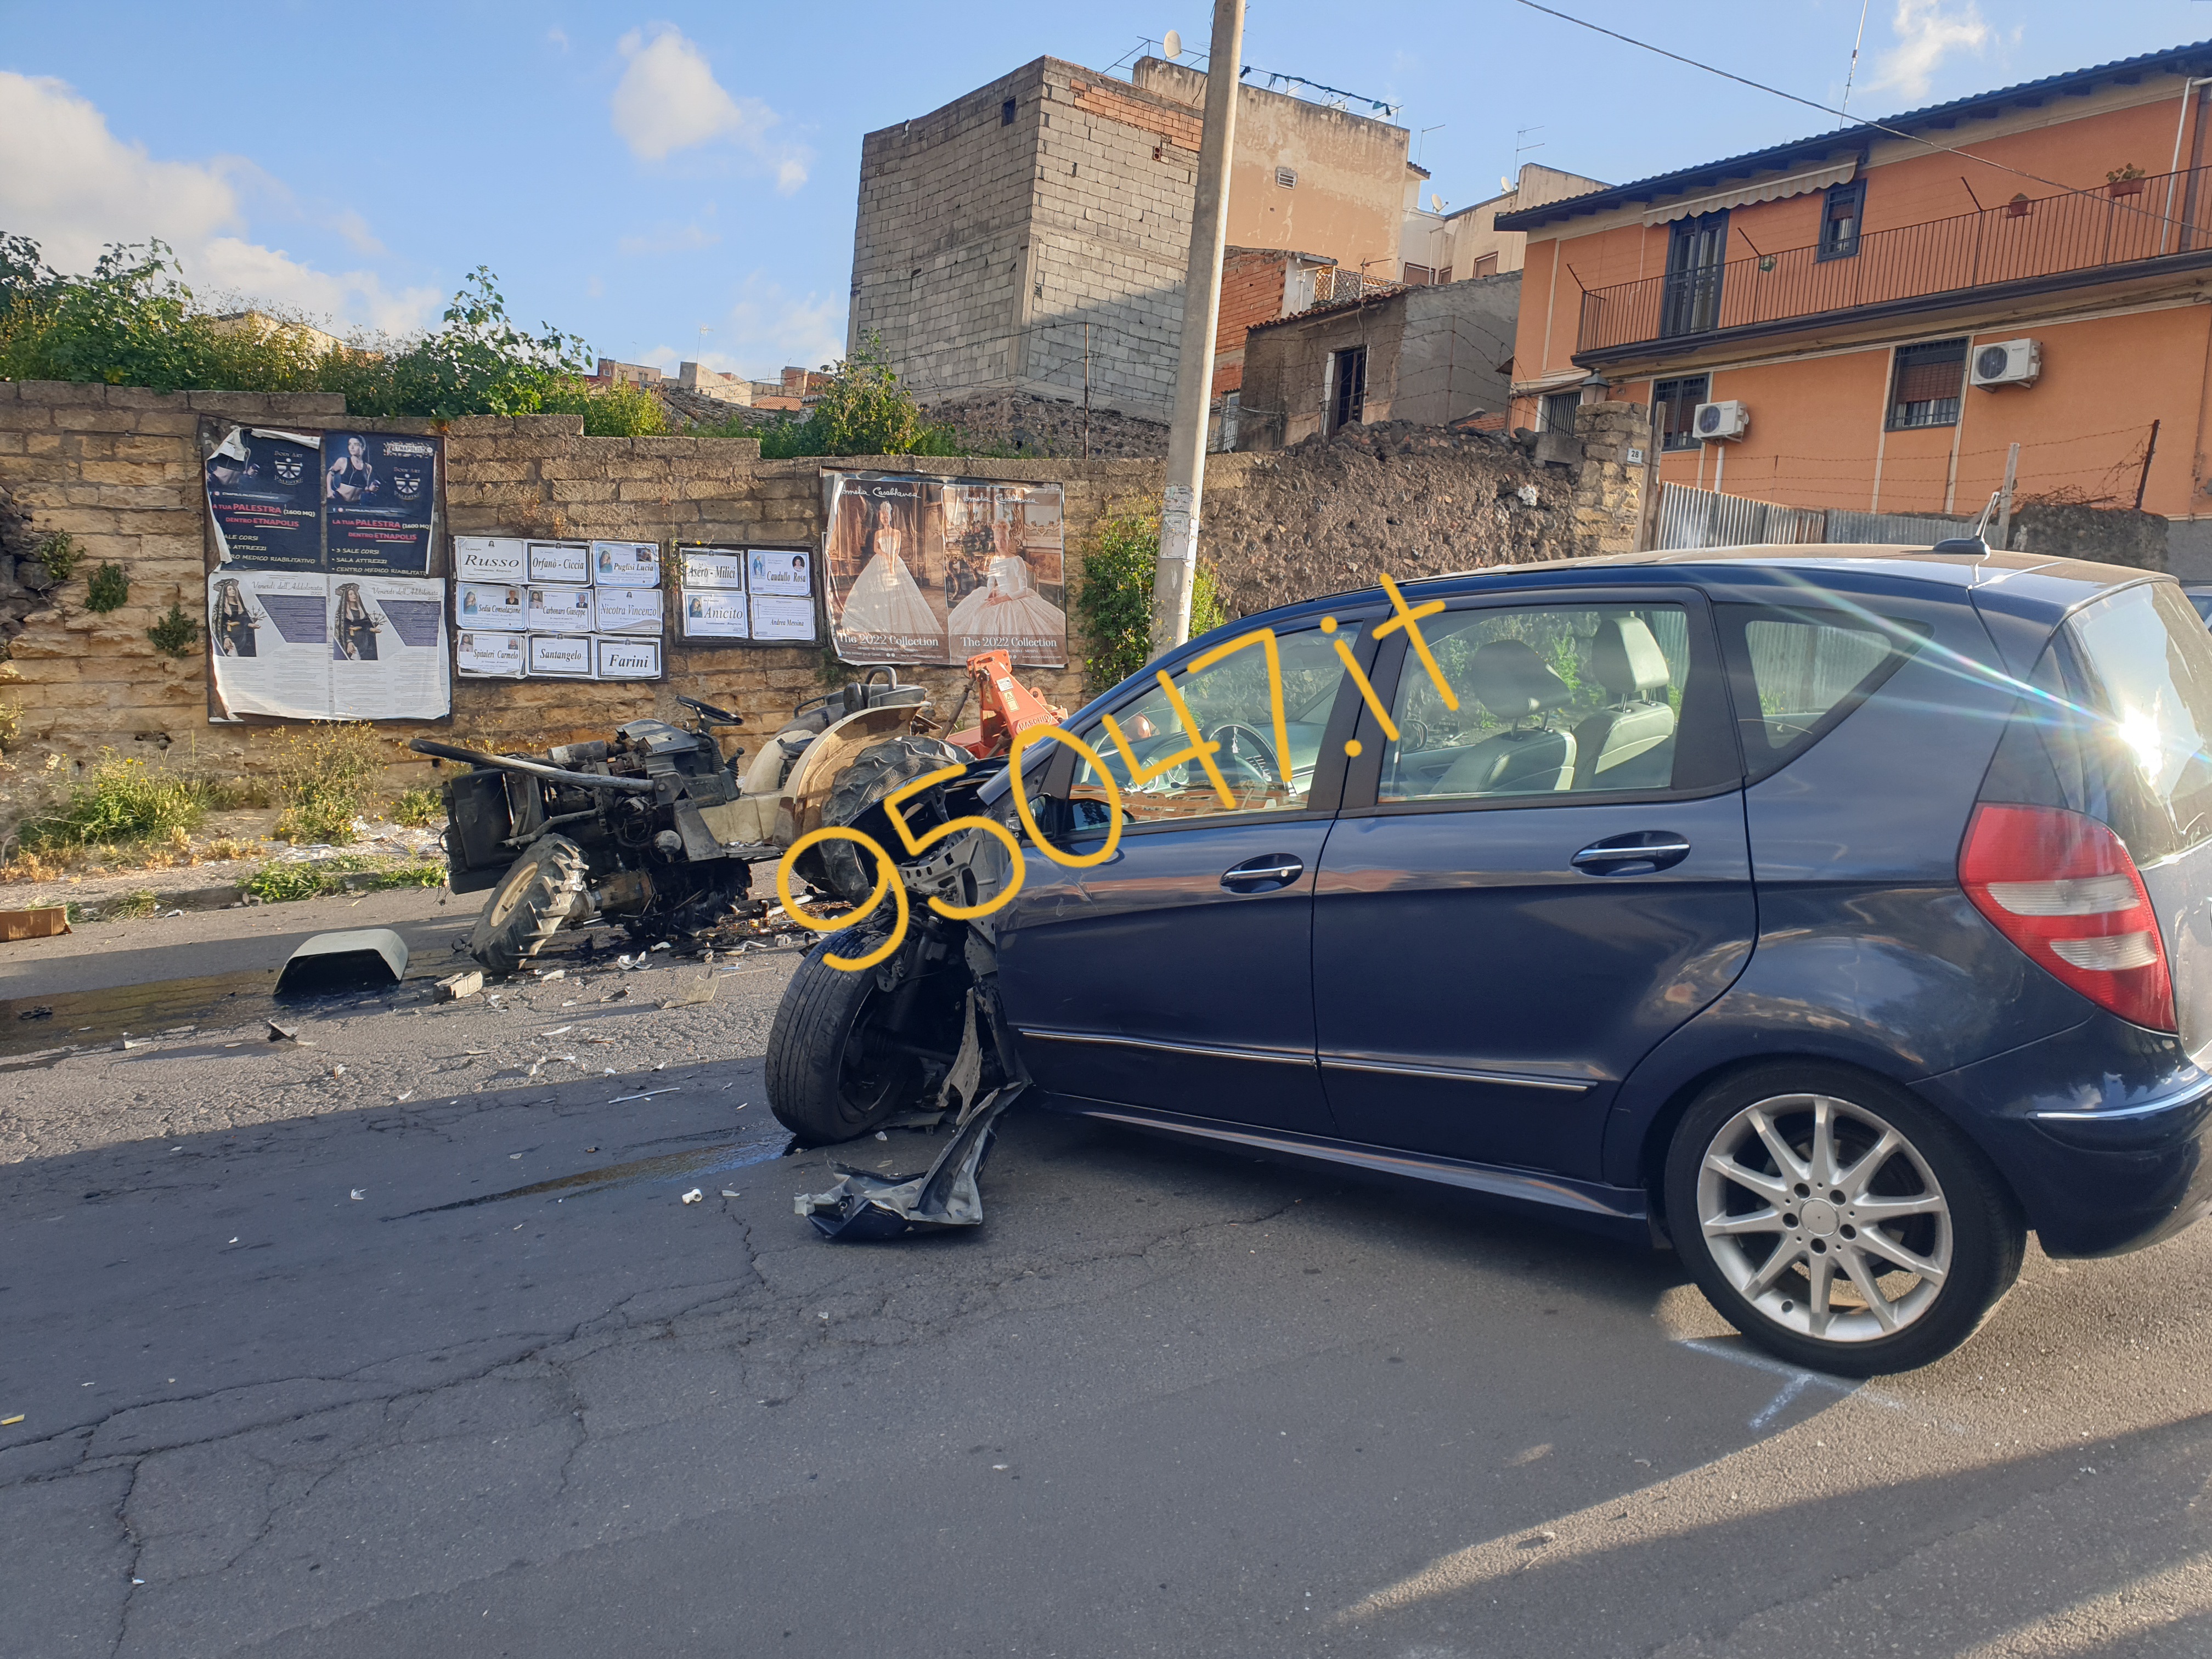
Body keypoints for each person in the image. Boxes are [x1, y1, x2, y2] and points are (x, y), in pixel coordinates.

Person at [837, 496, 939, 643]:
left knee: (897, 590)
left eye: (887, 516)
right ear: (880, 517)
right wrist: (885, 555)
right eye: (882, 516)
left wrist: (891, 563)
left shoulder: (896, 533)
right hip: (879, 561)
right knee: (876, 590)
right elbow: (875, 548)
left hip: (894, 561)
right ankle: (878, 621)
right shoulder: (878, 533)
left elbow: (897, 550)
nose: (885, 518)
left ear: (890, 517)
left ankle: (896, 623)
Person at [947, 550, 1066, 660]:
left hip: (1016, 597)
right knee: (980, 615)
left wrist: (1003, 599)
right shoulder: (995, 561)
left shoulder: (1017, 561)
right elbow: (990, 583)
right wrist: (992, 590)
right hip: (999, 592)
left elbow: (1023, 590)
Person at [211, 578, 258, 657]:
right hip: (230, 635)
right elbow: (220, 624)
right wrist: (226, 637)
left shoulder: (240, 605)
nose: (233, 591)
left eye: (233, 589)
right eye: (230, 589)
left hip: (243, 636)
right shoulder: (221, 608)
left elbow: (244, 619)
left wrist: (250, 624)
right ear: (225, 592)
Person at [325, 436, 378, 504]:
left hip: (355, 503)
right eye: (350, 444)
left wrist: (370, 489)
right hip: (339, 499)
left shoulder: (368, 467)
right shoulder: (343, 461)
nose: (352, 448)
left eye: (356, 445)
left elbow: (363, 488)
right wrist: (329, 491)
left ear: (363, 447)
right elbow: (330, 473)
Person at [333, 582, 380, 661]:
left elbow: (365, 625)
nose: (354, 596)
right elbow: (344, 629)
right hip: (353, 643)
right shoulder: (344, 614)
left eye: (355, 594)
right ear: (346, 597)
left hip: (365, 643)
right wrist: (349, 642)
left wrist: (372, 629)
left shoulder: (361, 611)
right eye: (351, 594)